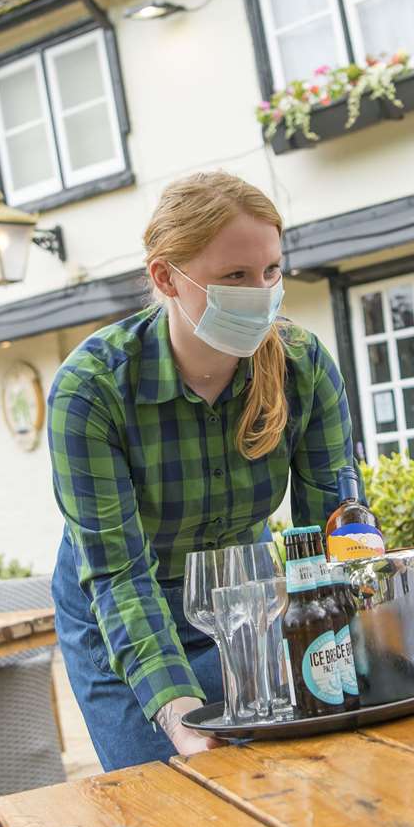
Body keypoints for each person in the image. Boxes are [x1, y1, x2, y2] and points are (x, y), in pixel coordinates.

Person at [48, 172, 353, 769]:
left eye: (270, 272)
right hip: (122, 610)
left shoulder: (304, 367)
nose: (261, 293)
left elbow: (335, 535)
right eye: (235, 277)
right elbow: (118, 576)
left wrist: (367, 648)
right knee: (168, 793)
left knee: (283, 770)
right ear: (166, 277)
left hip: (242, 598)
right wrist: (178, 711)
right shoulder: (93, 390)